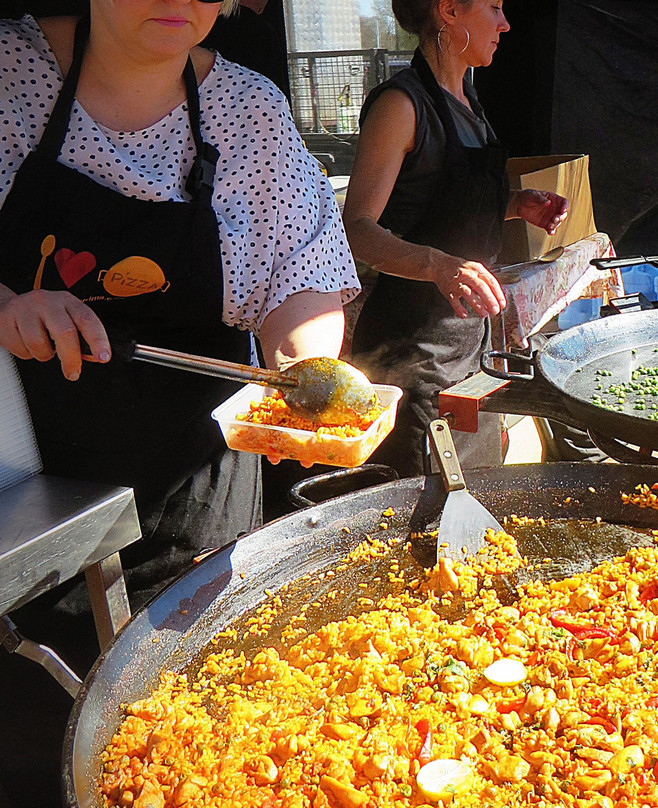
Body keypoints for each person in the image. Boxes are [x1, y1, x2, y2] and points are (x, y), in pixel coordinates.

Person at [0, 1, 359, 803]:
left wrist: (308, 371)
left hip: (199, 489)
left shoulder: (249, 109)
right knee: (39, 748)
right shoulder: (9, 76)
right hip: (25, 498)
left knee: (190, 739)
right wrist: (6, 306)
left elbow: (299, 271)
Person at [343, 0, 567, 477]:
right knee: (419, 521)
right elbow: (357, 229)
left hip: (472, 350)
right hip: (413, 359)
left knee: (476, 509)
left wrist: (515, 204)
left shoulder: (467, 101)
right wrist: (439, 266)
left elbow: (442, 204)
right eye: (494, 7)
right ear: (449, 10)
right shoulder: (400, 106)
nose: (506, 23)